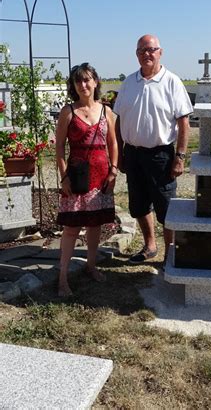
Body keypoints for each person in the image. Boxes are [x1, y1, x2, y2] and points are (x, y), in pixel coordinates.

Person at [113, 34, 193, 265]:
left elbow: (183, 122)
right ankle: (150, 246)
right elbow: (119, 120)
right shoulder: (129, 82)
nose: (146, 54)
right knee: (138, 205)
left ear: (160, 52)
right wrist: (120, 153)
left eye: (151, 49)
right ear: (136, 54)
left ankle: (170, 254)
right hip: (133, 154)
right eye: (141, 50)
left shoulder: (172, 82)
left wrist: (180, 157)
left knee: (166, 208)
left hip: (161, 155)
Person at [56, 63, 118, 297]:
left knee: (95, 225)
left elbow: (113, 143)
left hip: (102, 175)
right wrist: (63, 177)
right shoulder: (68, 112)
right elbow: (60, 148)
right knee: (72, 228)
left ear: (95, 82)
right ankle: (62, 278)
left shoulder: (106, 111)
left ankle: (90, 266)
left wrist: (114, 169)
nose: (83, 84)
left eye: (87, 79)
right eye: (78, 81)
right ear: (73, 85)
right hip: (77, 176)